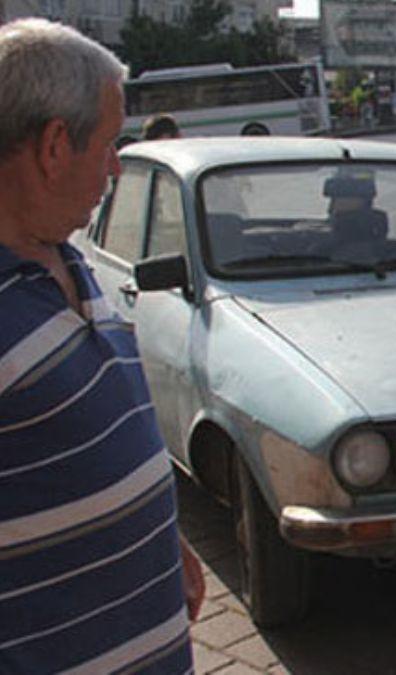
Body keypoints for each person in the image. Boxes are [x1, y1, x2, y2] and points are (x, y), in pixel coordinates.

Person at [0, 19, 203, 672]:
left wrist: (157, 531)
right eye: (110, 144)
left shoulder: (68, 252)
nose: (117, 167)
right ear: (56, 144)